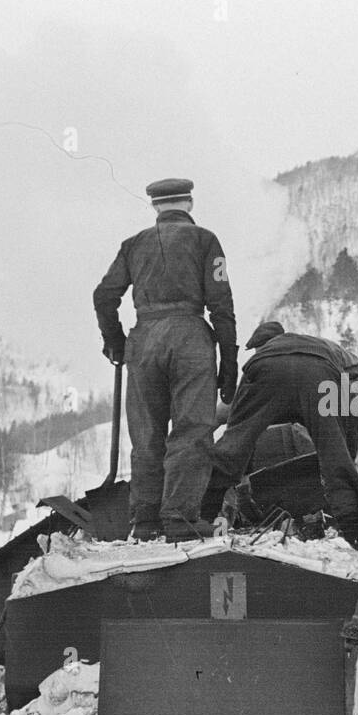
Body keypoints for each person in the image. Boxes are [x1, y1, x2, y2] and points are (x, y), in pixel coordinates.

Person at [92, 177, 237, 542]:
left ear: (155, 207)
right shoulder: (206, 241)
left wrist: (116, 342)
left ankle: (144, 522)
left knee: (146, 436)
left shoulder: (132, 245)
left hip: (143, 344)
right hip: (190, 340)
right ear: (189, 203)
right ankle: (179, 518)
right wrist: (229, 364)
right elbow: (221, 306)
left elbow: (103, 296)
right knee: (192, 430)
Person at [203, 321, 358, 547]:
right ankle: (352, 536)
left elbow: (235, 428)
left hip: (301, 374)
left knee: (232, 449)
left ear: (265, 345)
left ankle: (204, 520)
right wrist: (345, 457)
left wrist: (228, 461)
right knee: (337, 458)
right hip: (322, 374)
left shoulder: (264, 359)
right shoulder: (321, 347)